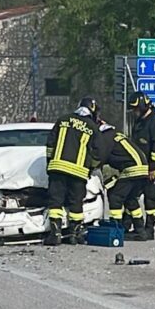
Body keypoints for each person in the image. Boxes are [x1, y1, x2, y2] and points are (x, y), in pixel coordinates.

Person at [44, 97, 102, 246]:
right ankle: (74, 235)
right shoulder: (92, 127)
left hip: (58, 168)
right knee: (76, 204)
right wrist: (90, 168)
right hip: (78, 172)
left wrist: (49, 163)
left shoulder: (63, 120)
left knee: (55, 202)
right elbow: (97, 154)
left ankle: (55, 234)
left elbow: (50, 144)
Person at [96, 120, 149, 241]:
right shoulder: (115, 134)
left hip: (132, 169)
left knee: (115, 196)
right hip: (142, 168)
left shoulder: (105, 137)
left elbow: (101, 157)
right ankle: (140, 230)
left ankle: (116, 229)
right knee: (130, 199)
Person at [126, 91, 155, 240]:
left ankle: (149, 230)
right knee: (131, 196)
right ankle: (136, 227)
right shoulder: (140, 121)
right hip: (140, 168)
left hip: (153, 170)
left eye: (136, 109)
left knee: (151, 200)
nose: (134, 112)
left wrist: (153, 167)